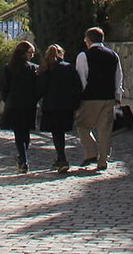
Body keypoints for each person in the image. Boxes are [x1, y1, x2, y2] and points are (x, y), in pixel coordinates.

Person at [74, 26, 124, 171]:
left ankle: (91, 152)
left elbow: (82, 78)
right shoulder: (113, 55)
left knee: (82, 126)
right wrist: (117, 95)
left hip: (90, 98)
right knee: (105, 130)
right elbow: (118, 77)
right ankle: (102, 161)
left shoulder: (84, 56)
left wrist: (80, 96)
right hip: (108, 97)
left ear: (88, 40)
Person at [36, 44, 83, 172]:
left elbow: (40, 89)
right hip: (66, 106)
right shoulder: (69, 68)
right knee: (60, 132)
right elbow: (78, 87)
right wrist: (76, 103)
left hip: (51, 106)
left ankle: (61, 158)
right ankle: (60, 158)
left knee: (57, 134)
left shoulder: (46, 69)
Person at [0, 40, 40, 173]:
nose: (32, 55)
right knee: (24, 133)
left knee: (20, 133)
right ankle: (23, 158)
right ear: (22, 53)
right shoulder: (31, 69)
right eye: (30, 53)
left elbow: (4, 88)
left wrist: (8, 100)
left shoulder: (10, 68)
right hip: (26, 105)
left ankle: (23, 158)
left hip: (15, 104)